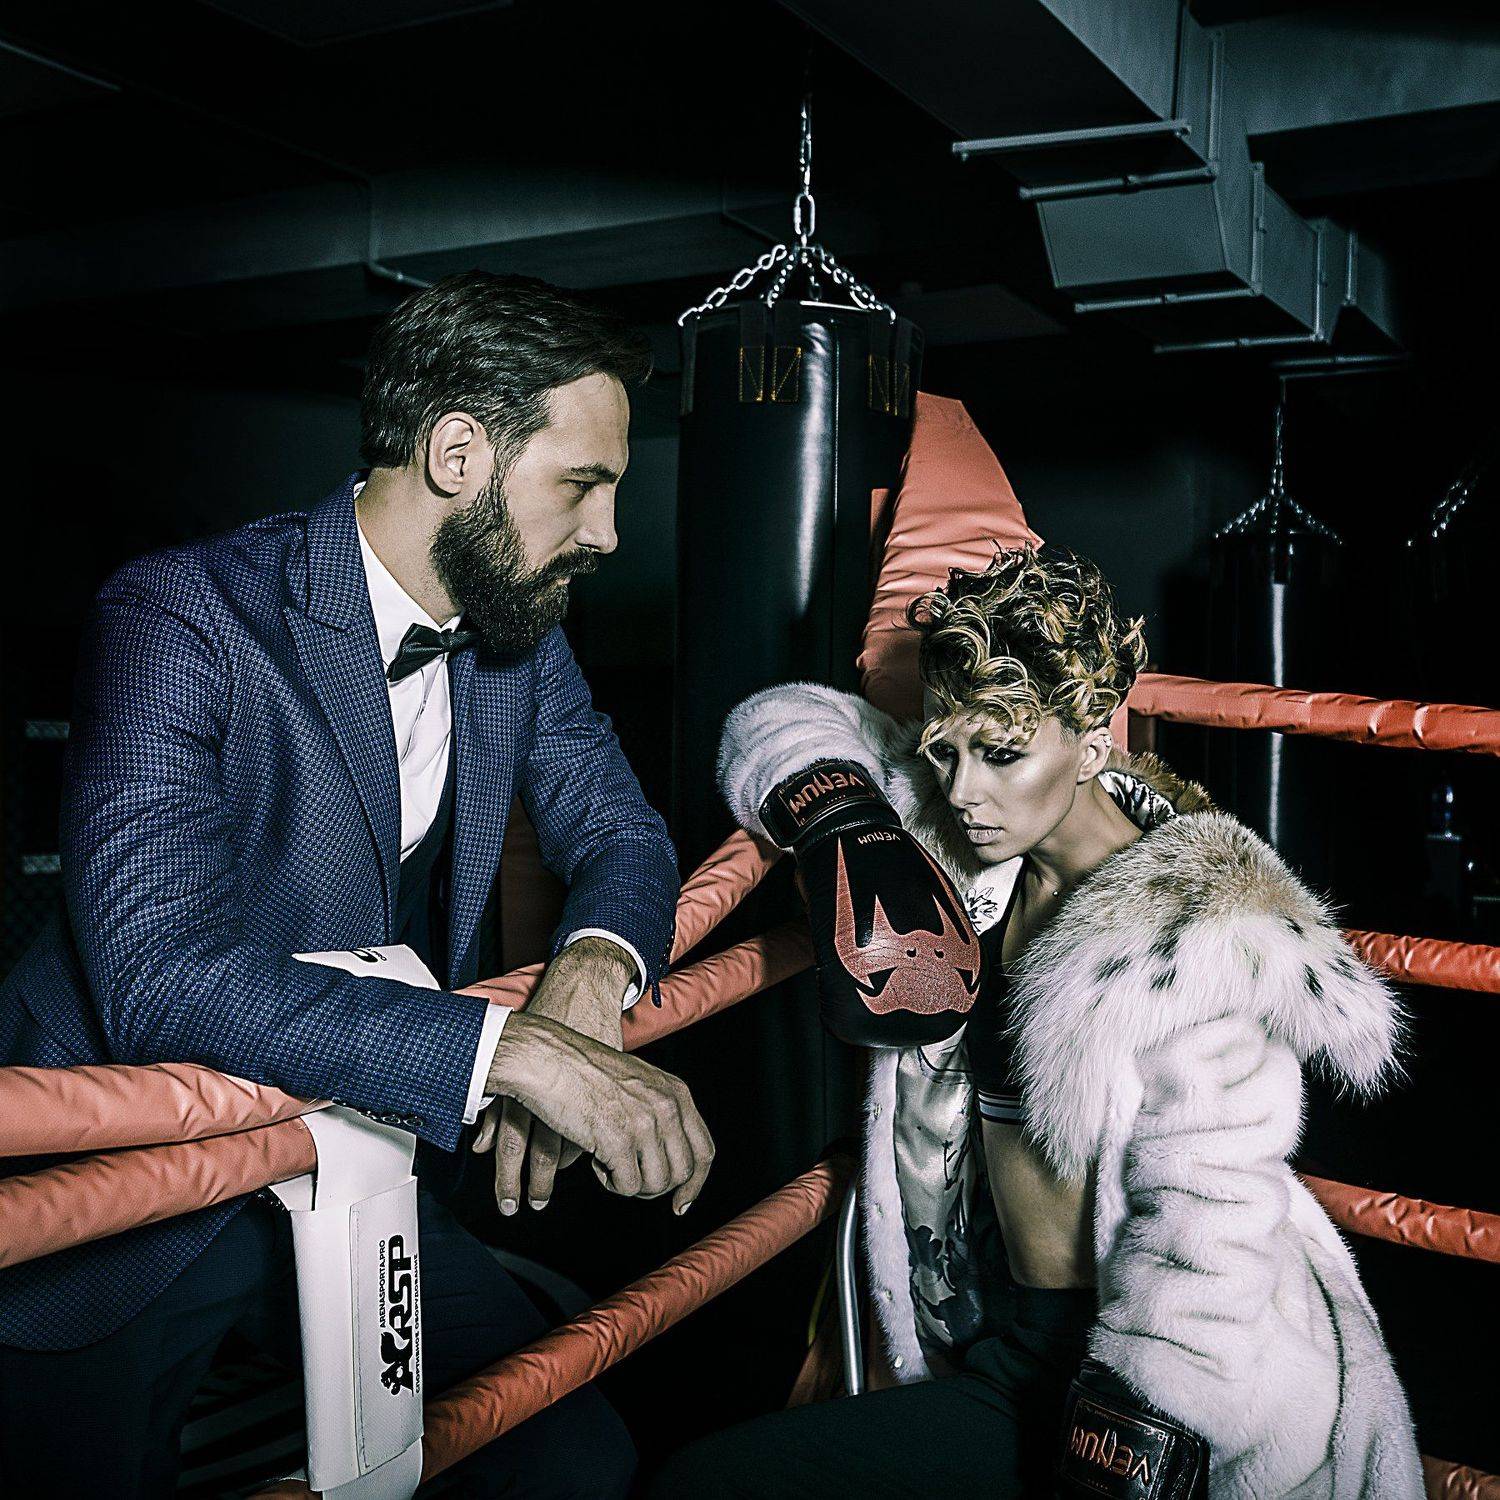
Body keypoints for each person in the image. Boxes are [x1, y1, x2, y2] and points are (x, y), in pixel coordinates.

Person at [0, 271, 713, 1499]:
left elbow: (623, 833)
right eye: (581, 484)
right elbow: (160, 977)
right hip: (125, 1190)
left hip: (351, 1154)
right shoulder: (181, 615)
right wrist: (514, 1055)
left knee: (565, 1456)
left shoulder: (517, 634)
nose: (607, 532)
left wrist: (590, 976)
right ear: (457, 453)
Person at [654, 545, 1421, 1498]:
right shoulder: (962, 847)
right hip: (1008, 1352)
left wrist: (1130, 1441)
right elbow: (777, 720)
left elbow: (1210, 1230)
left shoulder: (1197, 941)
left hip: (1182, 1380)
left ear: (1092, 747)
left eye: (1004, 755)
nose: (963, 790)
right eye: (946, 750)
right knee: (704, 1482)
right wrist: (848, 820)